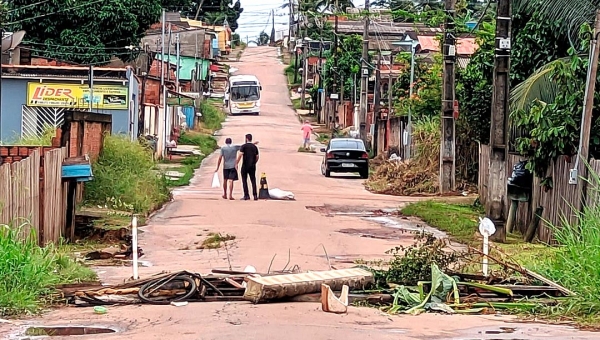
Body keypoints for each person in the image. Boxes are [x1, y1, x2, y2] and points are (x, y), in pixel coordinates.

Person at [237, 134, 260, 200]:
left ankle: (246, 195)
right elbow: (257, 156)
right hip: (252, 166)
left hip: (245, 165)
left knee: (244, 180)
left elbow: (240, 155)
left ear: (246, 139)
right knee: (253, 180)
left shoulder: (243, 146)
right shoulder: (254, 147)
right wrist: (254, 162)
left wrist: (236, 163)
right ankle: (255, 195)